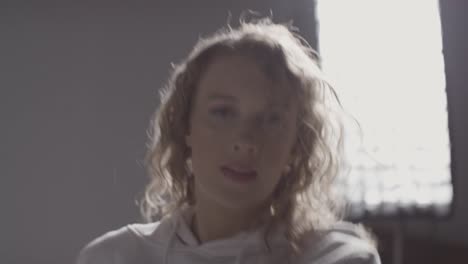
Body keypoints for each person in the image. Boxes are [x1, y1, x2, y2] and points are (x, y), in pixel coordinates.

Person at [76, 16, 381, 264]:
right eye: (223, 112)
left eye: (272, 119)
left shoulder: (336, 257)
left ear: (295, 148)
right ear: (186, 127)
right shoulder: (116, 257)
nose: (246, 141)